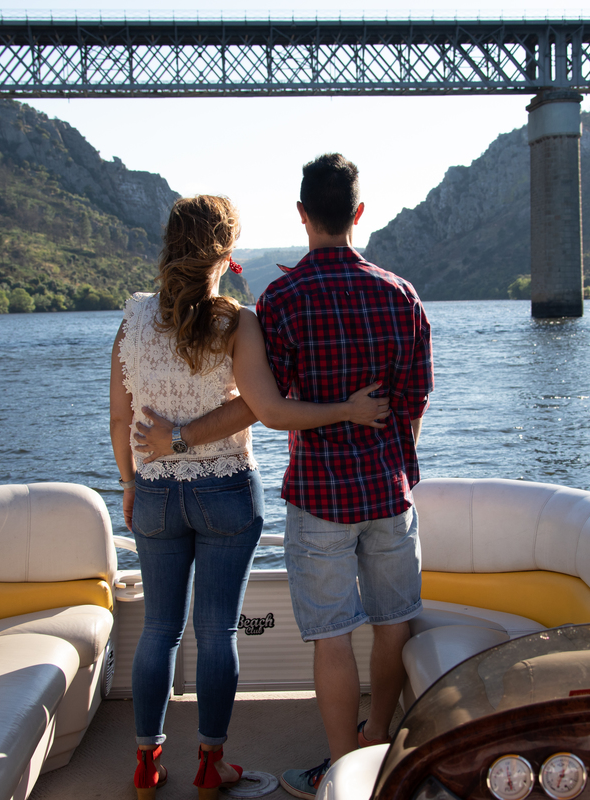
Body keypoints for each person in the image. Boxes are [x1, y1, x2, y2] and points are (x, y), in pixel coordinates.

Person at [135, 155, 434, 800]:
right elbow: (415, 403)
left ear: (302, 215)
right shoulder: (401, 295)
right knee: (392, 623)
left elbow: (269, 405)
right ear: (358, 213)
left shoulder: (281, 300)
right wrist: (394, 459)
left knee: (330, 638)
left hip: (320, 497)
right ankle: (376, 741)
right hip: (389, 491)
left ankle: (339, 772)